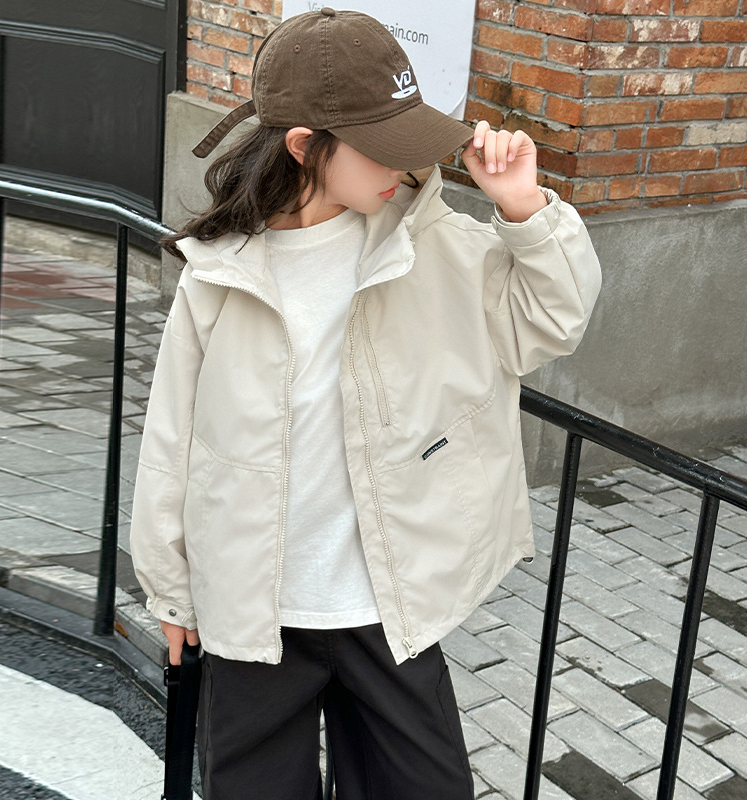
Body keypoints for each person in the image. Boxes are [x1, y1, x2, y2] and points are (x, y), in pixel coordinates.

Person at [131, 8, 601, 800]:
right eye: (381, 143)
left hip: (388, 608)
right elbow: (173, 441)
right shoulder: (219, 272)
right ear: (303, 145)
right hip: (253, 614)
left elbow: (550, 323)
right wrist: (172, 591)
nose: (405, 163)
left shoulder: (433, 245)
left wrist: (524, 210)